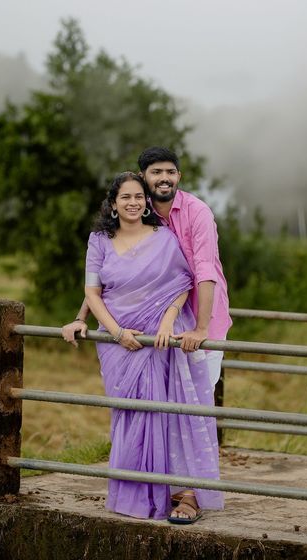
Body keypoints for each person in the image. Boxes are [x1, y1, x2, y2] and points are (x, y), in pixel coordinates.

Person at [75, 171, 223, 522]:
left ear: (146, 203)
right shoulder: (99, 241)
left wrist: (168, 321)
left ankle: (168, 492)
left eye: (139, 196)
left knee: (157, 414)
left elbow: (183, 283)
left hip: (155, 342)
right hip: (118, 346)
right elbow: (93, 293)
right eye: (125, 197)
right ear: (113, 204)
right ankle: (131, 492)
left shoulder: (163, 238)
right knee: (127, 416)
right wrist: (116, 333)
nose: (133, 202)